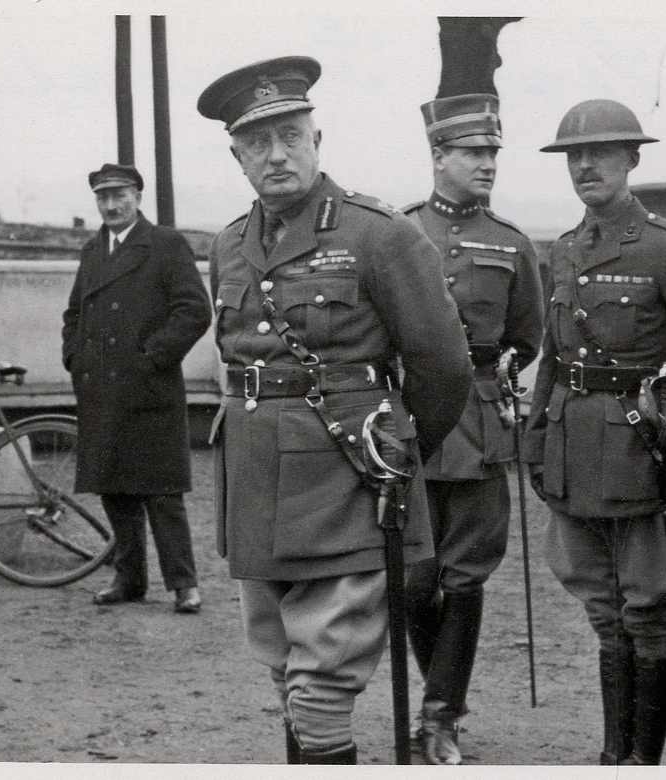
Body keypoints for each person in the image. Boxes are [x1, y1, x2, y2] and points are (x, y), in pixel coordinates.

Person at [197, 57, 472, 765]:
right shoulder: (229, 244)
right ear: (237, 156)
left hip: (344, 478)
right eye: (258, 142)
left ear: (316, 140)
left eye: (290, 135)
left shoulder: (379, 234)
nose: (277, 155)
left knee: (321, 688)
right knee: (282, 668)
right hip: (254, 479)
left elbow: (443, 368)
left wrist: (394, 454)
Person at [523, 99, 666, 765]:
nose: (585, 166)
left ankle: (641, 762)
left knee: (645, 610)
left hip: (638, 449)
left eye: (601, 153)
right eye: (574, 155)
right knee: (602, 609)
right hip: (571, 448)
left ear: (632, 159)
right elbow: (553, 357)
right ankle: (612, 753)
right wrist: (534, 439)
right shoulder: (565, 249)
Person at [400, 93, 544, 765]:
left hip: (478, 422)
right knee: (412, 577)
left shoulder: (512, 243)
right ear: (439, 156)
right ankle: (441, 703)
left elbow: (526, 337)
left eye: (492, 153)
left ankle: (439, 716)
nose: (487, 164)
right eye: (473, 152)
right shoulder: (399, 233)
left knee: (465, 575)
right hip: (408, 422)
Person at [61, 163, 211, 614]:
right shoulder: (93, 250)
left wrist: (153, 358)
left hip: (149, 388)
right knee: (114, 489)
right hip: (101, 390)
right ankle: (129, 580)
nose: (110, 205)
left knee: (162, 491)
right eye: (103, 197)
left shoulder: (164, 243)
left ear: (138, 197)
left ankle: (184, 584)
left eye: (119, 195)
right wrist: (74, 357)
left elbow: (194, 310)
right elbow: (73, 313)